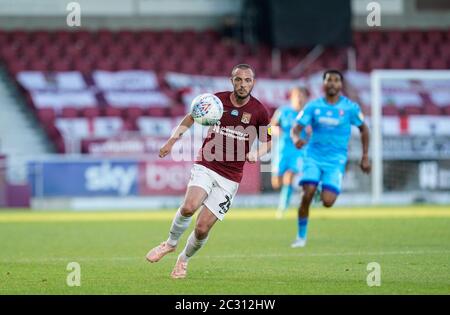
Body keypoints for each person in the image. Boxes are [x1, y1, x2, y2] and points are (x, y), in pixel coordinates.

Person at [146, 64, 272, 278]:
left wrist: (256, 154)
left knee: (202, 228)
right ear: (231, 81)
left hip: (230, 177)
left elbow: (268, 141)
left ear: (253, 82)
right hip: (207, 163)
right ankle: (169, 243)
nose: (243, 85)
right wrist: (171, 141)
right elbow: (191, 117)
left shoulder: (259, 111)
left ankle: (183, 259)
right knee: (189, 207)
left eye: (247, 80)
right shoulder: (216, 101)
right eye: (238, 80)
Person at [290, 70, 371, 248]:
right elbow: (296, 127)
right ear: (324, 84)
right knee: (307, 193)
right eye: (329, 80)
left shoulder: (350, 107)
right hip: (313, 156)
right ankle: (301, 237)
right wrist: (296, 139)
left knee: (328, 202)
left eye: (336, 80)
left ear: (341, 85)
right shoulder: (313, 106)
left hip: (336, 160)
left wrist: (365, 156)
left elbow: (364, 129)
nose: (333, 83)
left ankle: (320, 190)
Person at [270, 87, 310, 219]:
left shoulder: (308, 114)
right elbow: (271, 127)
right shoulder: (283, 111)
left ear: (306, 98)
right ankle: (285, 200)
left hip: (298, 151)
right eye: (297, 95)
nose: (299, 98)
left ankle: (282, 208)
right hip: (281, 152)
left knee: (290, 176)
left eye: (302, 96)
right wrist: (275, 131)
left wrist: (311, 131)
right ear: (292, 97)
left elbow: (313, 132)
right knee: (276, 183)